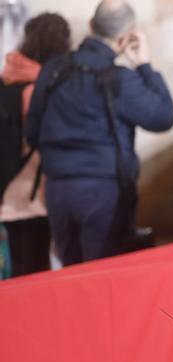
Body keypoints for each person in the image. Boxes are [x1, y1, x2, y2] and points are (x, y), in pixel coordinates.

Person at [26, 0, 173, 266]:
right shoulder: (121, 79)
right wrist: (144, 64)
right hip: (103, 194)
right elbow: (163, 117)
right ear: (125, 37)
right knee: (102, 276)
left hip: (58, 190)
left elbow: (32, 131)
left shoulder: (53, 69)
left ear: (91, 26)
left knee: (70, 275)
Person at [0, 12, 70, 277]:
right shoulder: (40, 87)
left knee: (18, 264)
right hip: (33, 193)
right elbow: (39, 137)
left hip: (7, 191)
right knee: (36, 268)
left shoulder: (7, 77)